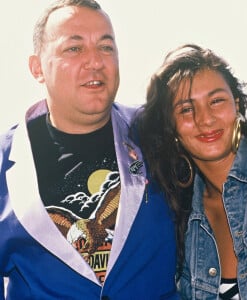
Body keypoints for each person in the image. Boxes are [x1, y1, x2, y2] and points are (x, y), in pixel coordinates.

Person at [0, 1, 179, 299]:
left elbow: (226, 149)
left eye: (106, 48)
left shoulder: (160, 131)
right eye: (74, 48)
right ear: (37, 68)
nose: (95, 61)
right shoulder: (5, 162)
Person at [134, 44, 247, 299]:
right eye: (187, 109)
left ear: (236, 105)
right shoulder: (180, 216)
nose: (205, 119)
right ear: (171, 126)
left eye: (216, 101)